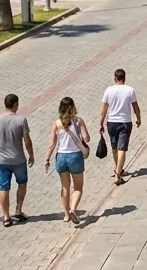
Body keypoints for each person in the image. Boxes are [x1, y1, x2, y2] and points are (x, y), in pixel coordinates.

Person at [0, 93, 35, 227]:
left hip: (2, 161)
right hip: (18, 160)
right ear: (15, 105)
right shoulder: (21, 120)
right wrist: (31, 155)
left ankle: (6, 216)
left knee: (4, 188)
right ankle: (18, 210)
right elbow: (27, 141)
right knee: (22, 184)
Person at [43, 96, 90, 227]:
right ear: (73, 107)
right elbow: (87, 138)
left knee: (65, 187)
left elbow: (52, 144)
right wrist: (81, 136)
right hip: (75, 156)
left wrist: (47, 159)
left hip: (61, 157)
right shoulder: (78, 121)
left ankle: (66, 215)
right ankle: (73, 209)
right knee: (78, 187)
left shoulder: (56, 124)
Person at [98, 69, 142, 186]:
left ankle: (118, 169)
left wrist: (100, 123)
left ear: (115, 79)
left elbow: (104, 109)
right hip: (125, 122)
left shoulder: (109, 90)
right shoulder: (130, 90)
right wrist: (138, 118)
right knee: (122, 148)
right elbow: (135, 106)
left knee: (115, 148)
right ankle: (118, 174)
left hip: (111, 122)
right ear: (124, 79)